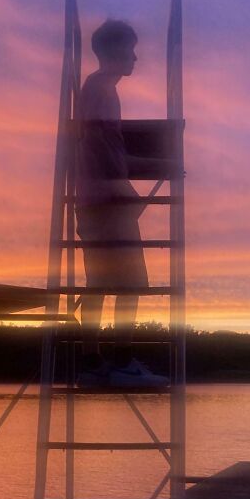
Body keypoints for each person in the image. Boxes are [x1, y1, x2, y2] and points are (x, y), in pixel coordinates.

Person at [75, 19, 181, 387]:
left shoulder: (95, 89)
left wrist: (155, 166)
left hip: (96, 200)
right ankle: (120, 361)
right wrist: (125, 190)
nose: (135, 57)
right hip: (108, 202)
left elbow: (109, 152)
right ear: (111, 50)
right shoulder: (102, 90)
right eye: (130, 49)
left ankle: (93, 362)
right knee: (131, 284)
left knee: (98, 284)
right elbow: (103, 150)